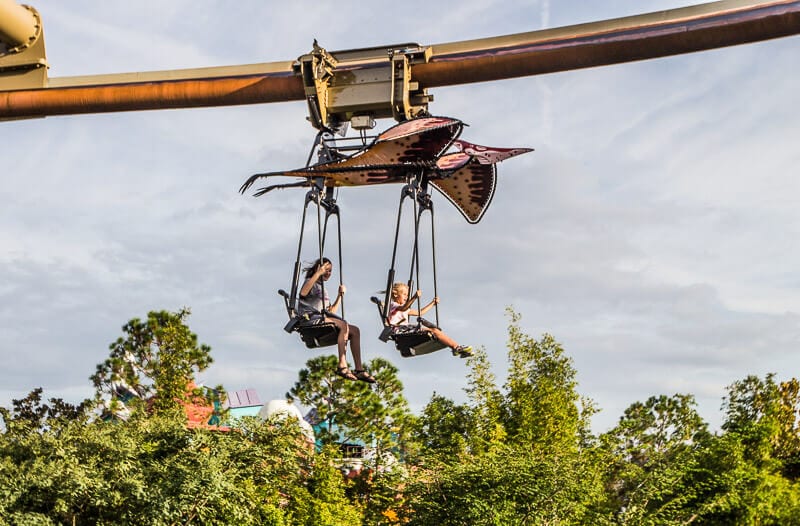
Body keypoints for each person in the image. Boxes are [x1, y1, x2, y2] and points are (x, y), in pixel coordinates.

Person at [298, 258, 376, 383]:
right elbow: (303, 293)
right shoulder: (310, 282)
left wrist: (340, 296)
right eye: (326, 270)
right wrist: (318, 273)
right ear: (319, 268)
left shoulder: (323, 289)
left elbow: (331, 312)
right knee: (344, 325)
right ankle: (342, 364)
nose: (329, 273)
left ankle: (359, 369)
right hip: (310, 319)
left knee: (355, 331)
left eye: (330, 271)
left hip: (322, 318)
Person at [387, 282, 473, 358]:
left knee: (436, 331)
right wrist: (414, 297)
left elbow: (420, 312)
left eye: (407, 295)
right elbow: (403, 308)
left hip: (405, 330)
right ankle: (456, 347)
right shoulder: (393, 305)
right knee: (435, 331)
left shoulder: (404, 309)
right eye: (404, 294)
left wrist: (432, 303)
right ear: (395, 295)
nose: (406, 297)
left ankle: (456, 347)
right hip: (400, 331)